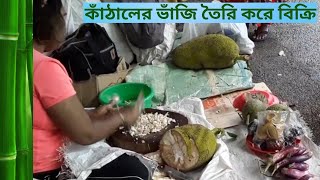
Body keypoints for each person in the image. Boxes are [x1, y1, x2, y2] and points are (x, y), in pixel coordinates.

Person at [33, 0, 149, 179]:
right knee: (136, 172)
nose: (64, 22)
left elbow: (44, 116)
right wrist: (123, 116)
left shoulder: (18, 58)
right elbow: (86, 135)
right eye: (63, 16)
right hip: (45, 170)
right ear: (46, 23)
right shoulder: (45, 69)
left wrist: (91, 115)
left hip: (32, 161)